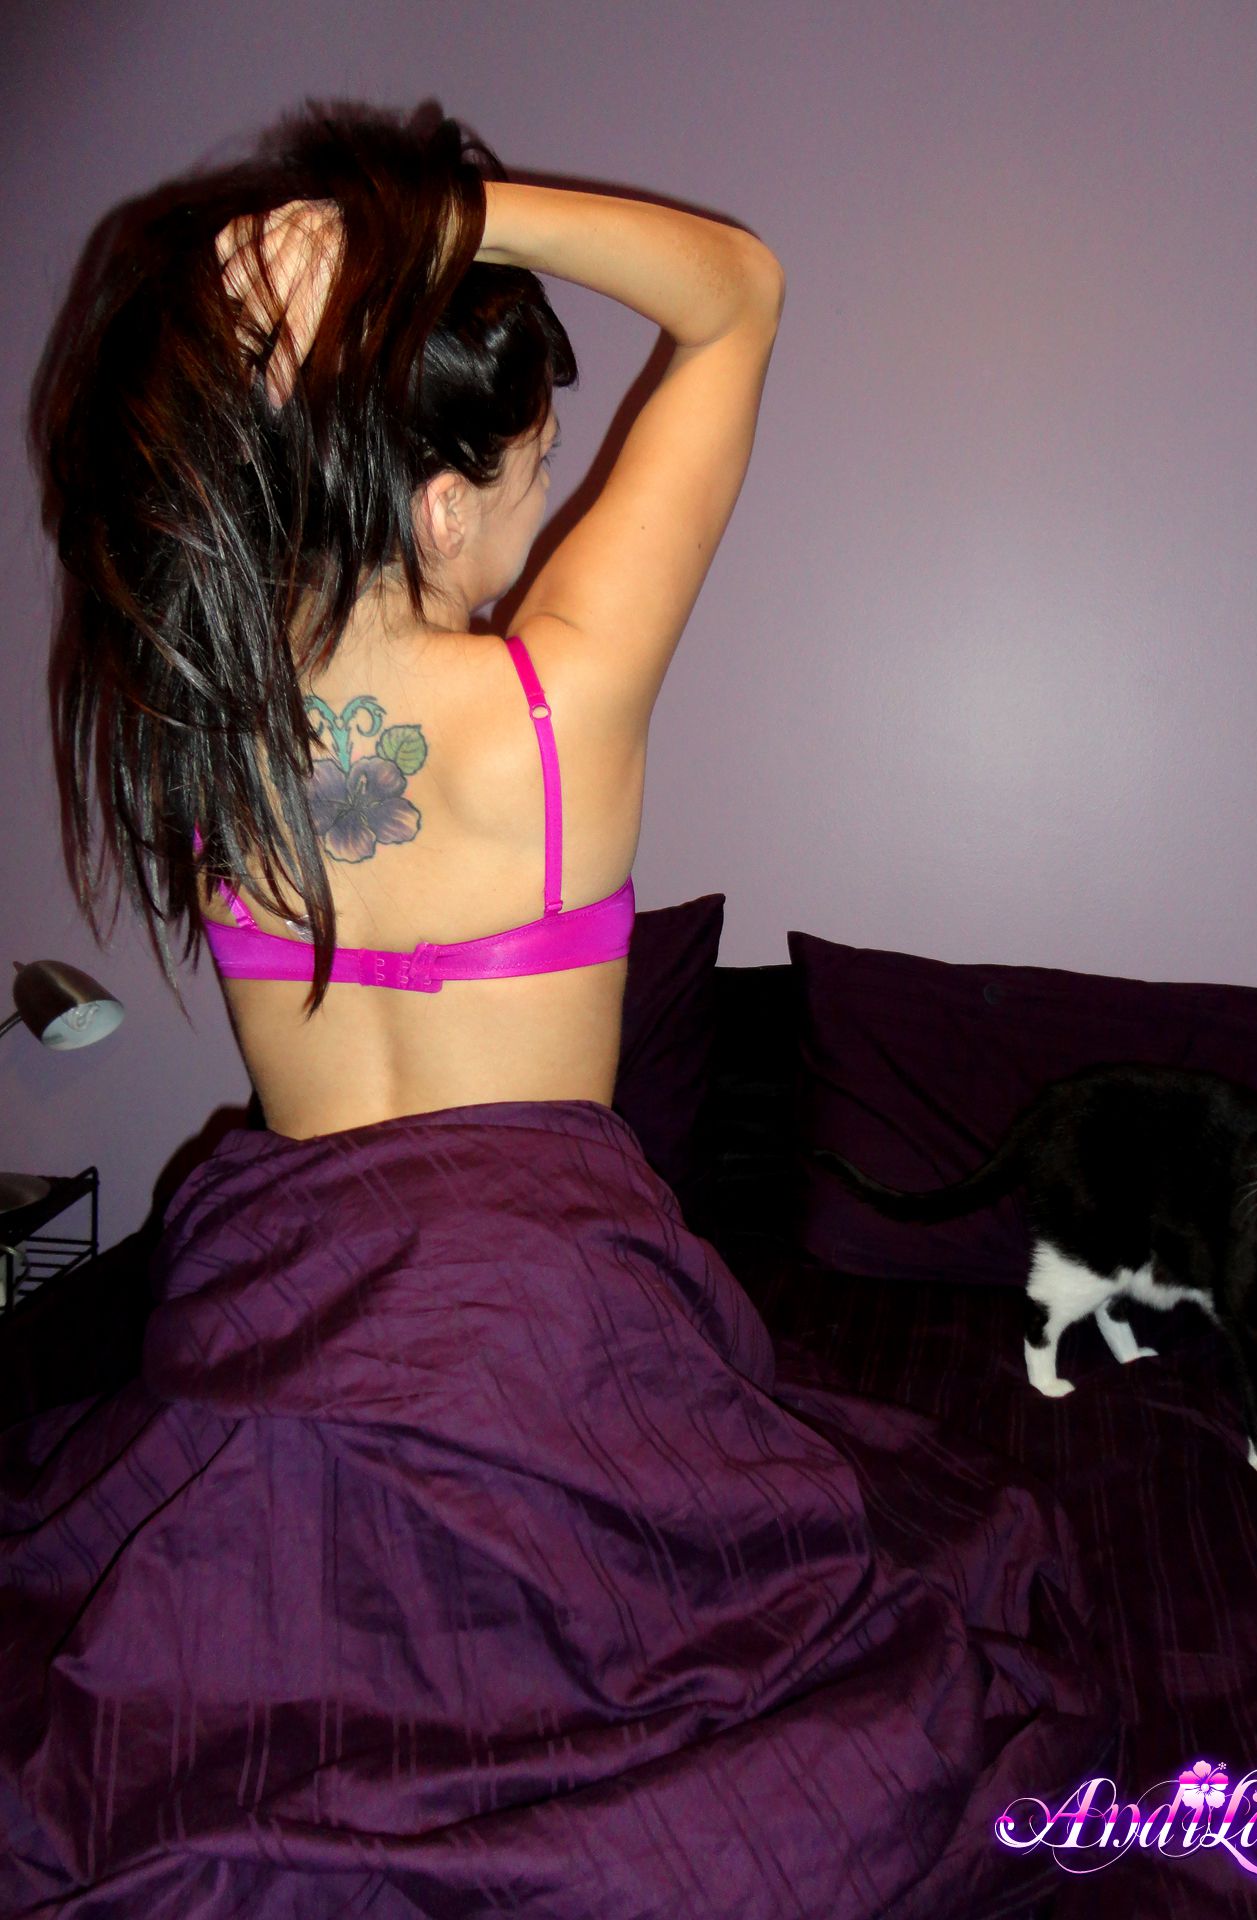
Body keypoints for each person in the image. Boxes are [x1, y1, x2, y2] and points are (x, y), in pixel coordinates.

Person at [3, 102, 1107, 1918]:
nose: (542, 510)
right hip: (535, 1327)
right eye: (532, 472)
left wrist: (333, 269)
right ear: (441, 501)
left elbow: (179, 428)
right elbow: (738, 291)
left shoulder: (196, 707)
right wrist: (443, 218)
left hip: (270, 1326)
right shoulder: (555, 698)